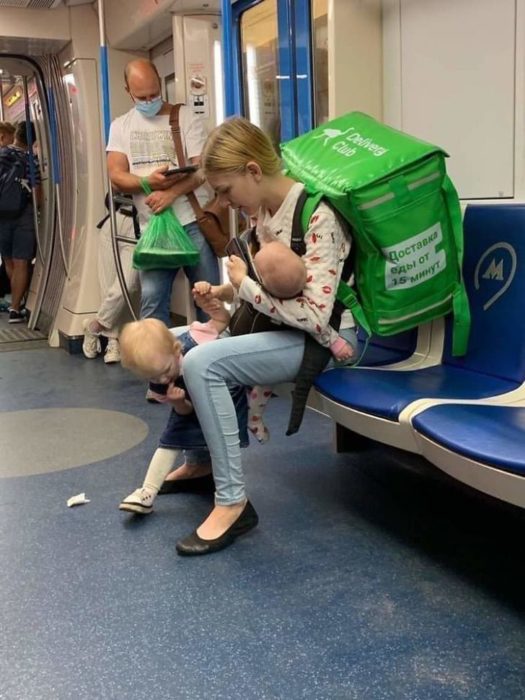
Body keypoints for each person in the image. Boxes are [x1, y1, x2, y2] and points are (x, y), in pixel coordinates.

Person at [172, 116, 356, 556]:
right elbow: (267, 296)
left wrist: (246, 287)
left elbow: (314, 315)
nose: (223, 202)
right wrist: (223, 297)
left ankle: (233, 502)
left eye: (225, 190)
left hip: (331, 340)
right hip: (287, 331)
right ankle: (199, 461)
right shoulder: (265, 217)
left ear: (253, 171)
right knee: (178, 342)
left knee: (202, 363)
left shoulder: (319, 218)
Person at [105, 58, 220, 331]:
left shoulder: (185, 117)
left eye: (154, 94)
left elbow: (203, 169)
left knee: (210, 301)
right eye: (142, 96)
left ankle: (210, 361)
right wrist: (147, 183)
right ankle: (160, 370)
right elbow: (117, 175)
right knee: (153, 302)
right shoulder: (120, 126)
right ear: (128, 91)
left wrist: (170, 193)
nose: (149, 100)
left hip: (192, 222)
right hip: (153, 229)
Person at [117, 288, 249, 515]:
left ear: (176, 349)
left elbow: (221, 322)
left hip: (224, 394)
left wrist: (213, 307)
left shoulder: (195, 338)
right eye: (153, 377)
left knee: (221, 441)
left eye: (166, 370)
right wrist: (178, 403)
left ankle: (228, 491)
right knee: (170, 440)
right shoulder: (160, 382)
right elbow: (187, 412)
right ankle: (147, 491)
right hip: (190, 405)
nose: (163, 379)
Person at [82, 193, 141, 364]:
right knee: (108, 286)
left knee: (126, 287)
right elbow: (110, 194)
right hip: (115, 221)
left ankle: (94, 326)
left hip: (137, 226)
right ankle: (113, 340)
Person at [0, 121, 41, 323]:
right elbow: (37, 191)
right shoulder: (30, 159)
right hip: (24, 214)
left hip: (2, 215)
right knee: (21, 261)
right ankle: (16, 307)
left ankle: (16, 300)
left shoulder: (1, 153)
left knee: (8, 260)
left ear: (16, 134)